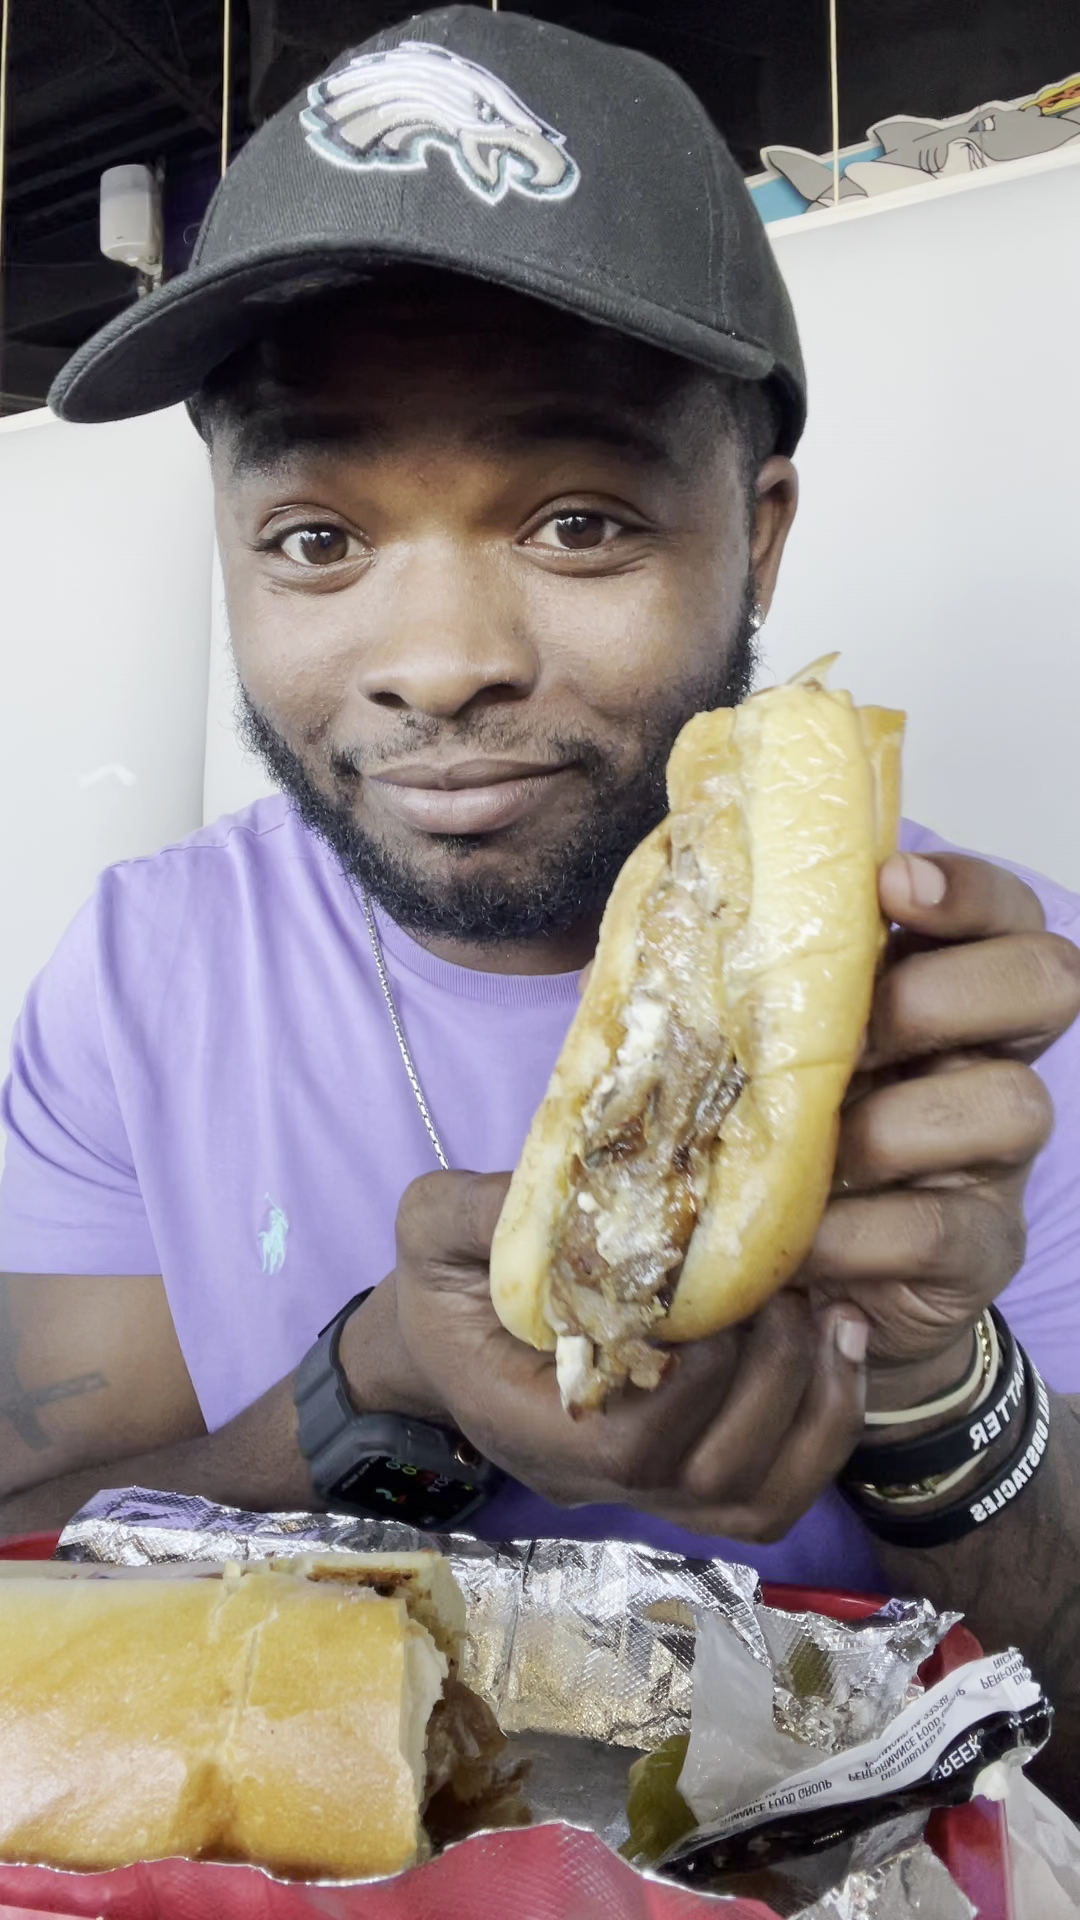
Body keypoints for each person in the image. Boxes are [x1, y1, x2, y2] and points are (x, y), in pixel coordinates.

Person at [3, 5, 1080, 1804]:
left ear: (761, 533)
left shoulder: (992, 1006)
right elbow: (28, 1580)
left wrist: (933, 1390)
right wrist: (376, 1383)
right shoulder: (140, 972)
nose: (437, 663)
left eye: (579, 521)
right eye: (320, 539)